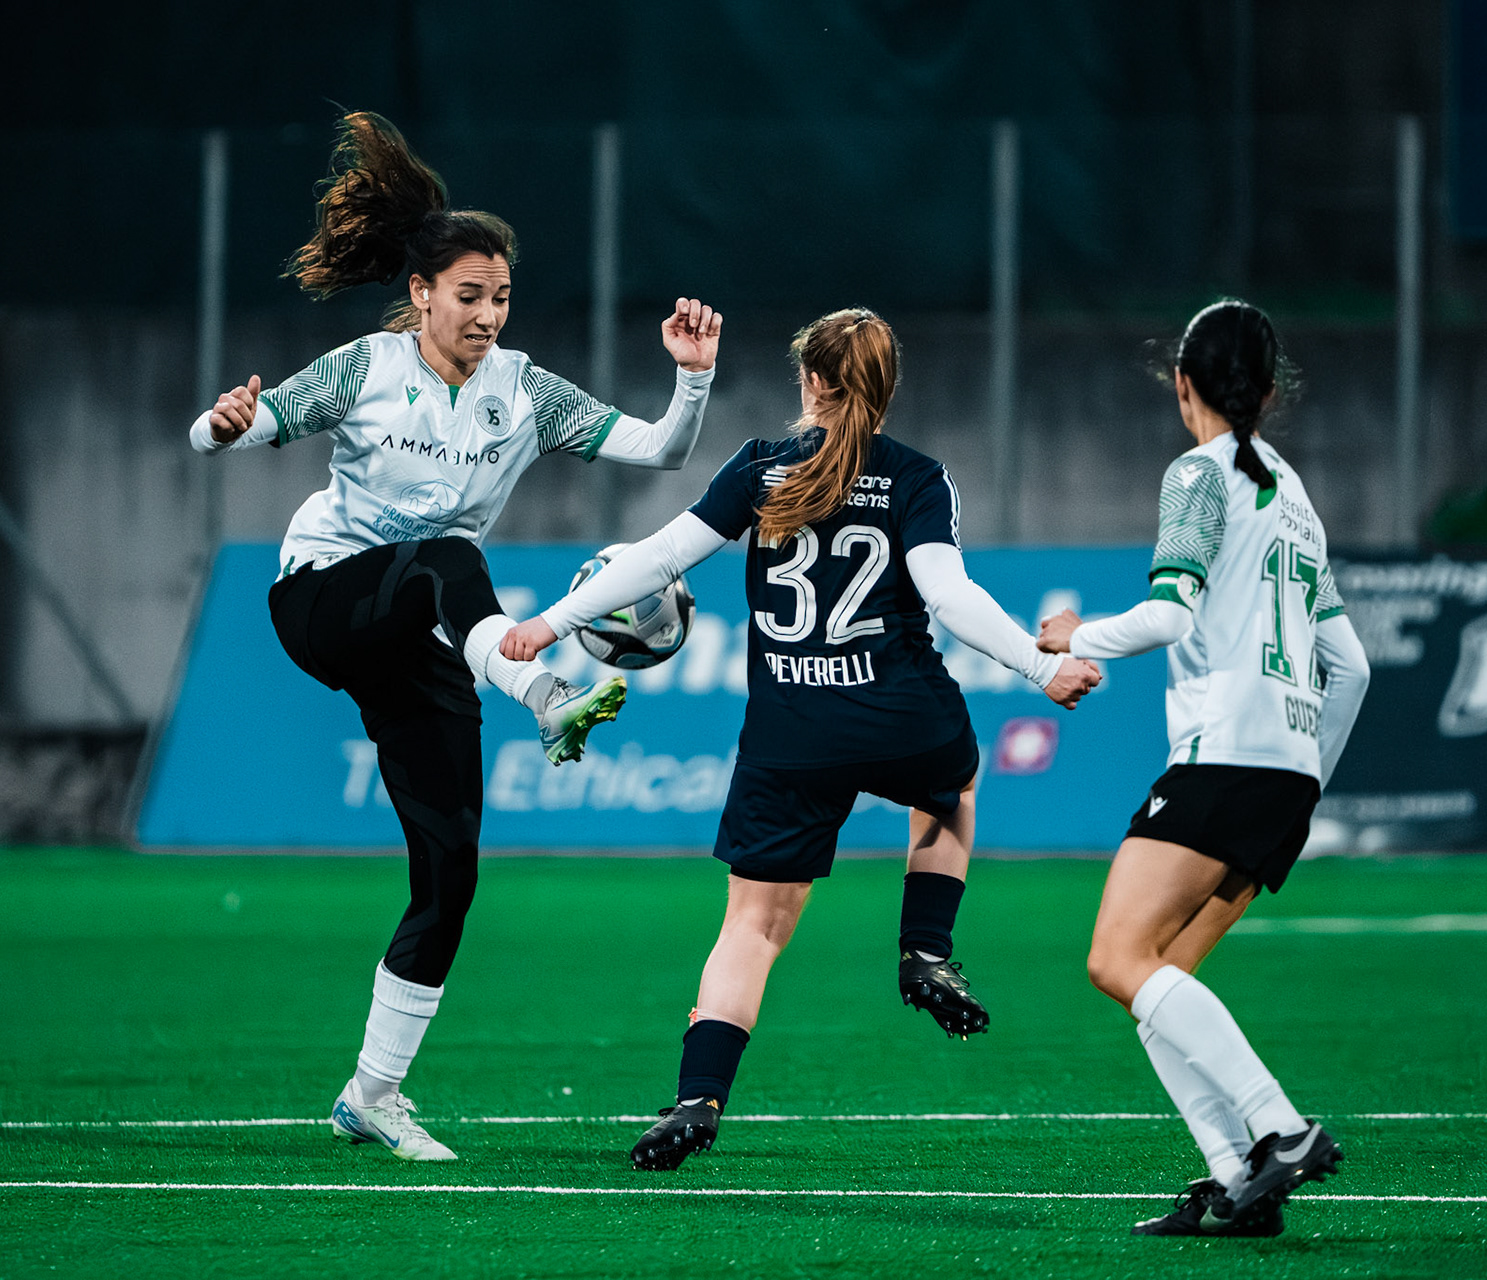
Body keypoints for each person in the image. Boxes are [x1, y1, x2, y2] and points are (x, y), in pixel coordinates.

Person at [190, 112, 724, 1162]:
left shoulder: (526, 391)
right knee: (447, 555)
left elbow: (661, 452)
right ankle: (542, 695)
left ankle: (373, 1091)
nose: (487, 314)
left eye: (502, 297)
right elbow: (238, 431)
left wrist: (692, 376)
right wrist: (223, 421)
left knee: (451, 869)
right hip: (323, 601)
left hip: (429, 630)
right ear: (423, 294)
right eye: (468, 295)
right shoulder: (364, 368)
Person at [501, 308, 1103, 1170]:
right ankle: (925, 951)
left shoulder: (762, 467)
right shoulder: (916, 476)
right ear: (886, 389)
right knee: (954, 785)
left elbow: (660, 557)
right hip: (900, 712)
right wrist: (1040, 672)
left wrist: (555, 622)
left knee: (752, 924)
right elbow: (950, 597)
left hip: (791, 728)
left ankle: (697, 1099)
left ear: (810, 381)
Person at [1036, 300, 1370, 1236]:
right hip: (1286, 770)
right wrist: (1306, 788)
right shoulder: (1296, 501)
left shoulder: (1197, 473)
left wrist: (1074, 637)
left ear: (1182, 383)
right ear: (1267, 392)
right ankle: (1236, 1179)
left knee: (1114, 959)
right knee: (1163, 974)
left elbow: (1171, 616)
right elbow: (1353, 668)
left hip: (1224, 754)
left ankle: (1280, 1129)